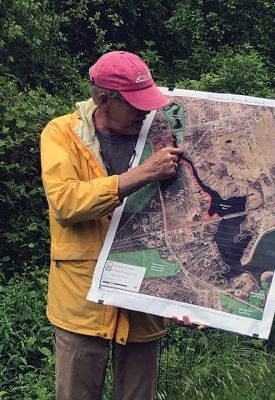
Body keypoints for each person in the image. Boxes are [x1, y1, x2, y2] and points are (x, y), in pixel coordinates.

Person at [40, 50, 190, 400]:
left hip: (145, 300)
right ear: (104, 99)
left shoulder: (162, 135)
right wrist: (140, 176)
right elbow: (65, 202)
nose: (146, 112)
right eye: (136, 104)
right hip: (81, 299)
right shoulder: (62, 134)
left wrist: (191, 296)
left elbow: (188, 220)